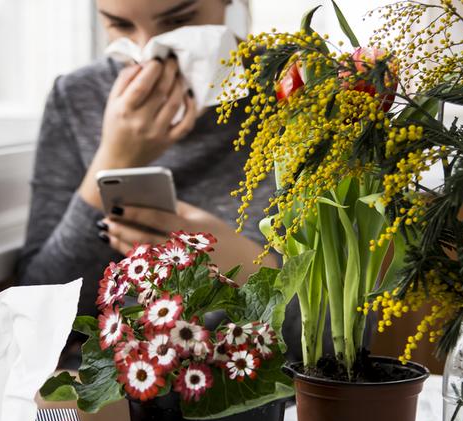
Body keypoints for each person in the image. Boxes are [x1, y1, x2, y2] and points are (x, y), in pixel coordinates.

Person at [16, 0, 314, 361]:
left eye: (178, 20)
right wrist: (113, 159)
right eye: (120, 26)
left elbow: (337, 344)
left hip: (266, 397)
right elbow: (32, 323)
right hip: (118, 401)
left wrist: (247, 266)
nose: (148, 51)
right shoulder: (76, 97)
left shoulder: (298, 90)